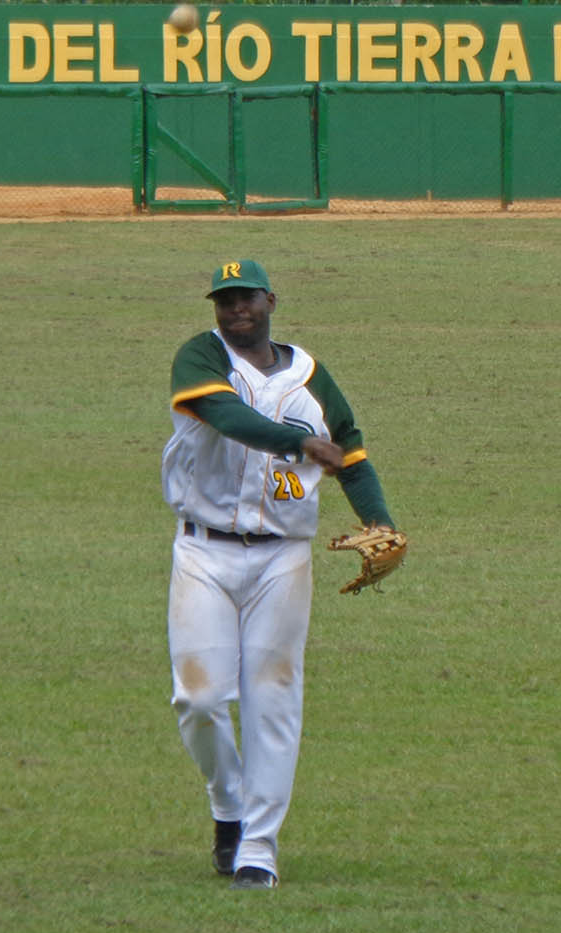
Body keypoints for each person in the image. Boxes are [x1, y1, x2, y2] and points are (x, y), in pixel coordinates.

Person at [161, 259, 398, 891]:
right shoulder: (201, 357)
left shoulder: (312, 378)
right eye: (225, 300)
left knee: (272, 698)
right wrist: (298, 445)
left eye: (247, 298)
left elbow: (351, 451)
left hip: (282, 558)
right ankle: (229, 806)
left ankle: (258, 848)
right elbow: (227, 417)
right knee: (200, 698)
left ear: (271, 300)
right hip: (204, 552)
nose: (236, 309)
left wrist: (382, 522)